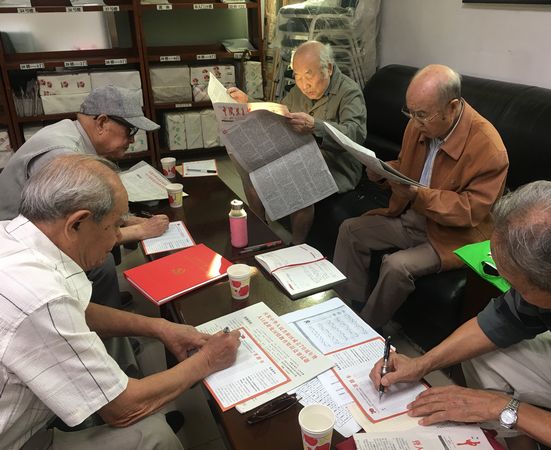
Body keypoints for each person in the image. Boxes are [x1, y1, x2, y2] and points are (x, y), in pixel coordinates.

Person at [0, 154, 242, 450]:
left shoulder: (12, 236)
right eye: (114, 226)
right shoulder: (41, 297)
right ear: (76, 223)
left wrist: (160, 327)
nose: (117, 238)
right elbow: (124, 408)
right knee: (154, 436)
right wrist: (208, 360)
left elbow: (77, 312)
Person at [370, 181, 551, 450]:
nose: (512, 292)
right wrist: (422, 364)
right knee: (483, 354)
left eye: (518, 287)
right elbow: (499, 321)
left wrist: (504, 408)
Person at [333, 64, 509, 329]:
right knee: (351, 230)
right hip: (413, 216)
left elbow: (470, 211)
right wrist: (384, 171)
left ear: (452, 107)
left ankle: (365, 329)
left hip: (454, 236)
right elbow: (408, 167)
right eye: (410, 113)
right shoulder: (420, 124)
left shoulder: (489, 148)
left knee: (396, 266)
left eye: (422, 115)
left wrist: (419, 196)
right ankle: (344, 310)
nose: (414, 123)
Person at [0, 85, 169, 309]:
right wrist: (141, 231)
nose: (132, 141)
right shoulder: (62, 156)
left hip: (34, 229)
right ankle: (105, 324)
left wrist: (128, 220)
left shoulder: (70, 132)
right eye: (130, 131)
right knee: (102, 263)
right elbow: (72, 233)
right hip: (15, 244)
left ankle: (104, 299)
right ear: (101, 123)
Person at [228, 40, 367, 244]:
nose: (303, 84)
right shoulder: (299, 90)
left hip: (337, 164)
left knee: (299, 173)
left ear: (328, 68)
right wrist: (247, 102)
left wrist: (316, 126)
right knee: (250, 165)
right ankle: (260, 227)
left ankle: (297, 244)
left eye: (309, 76)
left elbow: (356, 134)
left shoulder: (349, 91)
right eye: (297, 76)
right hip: (302, 151)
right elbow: (277, 113)